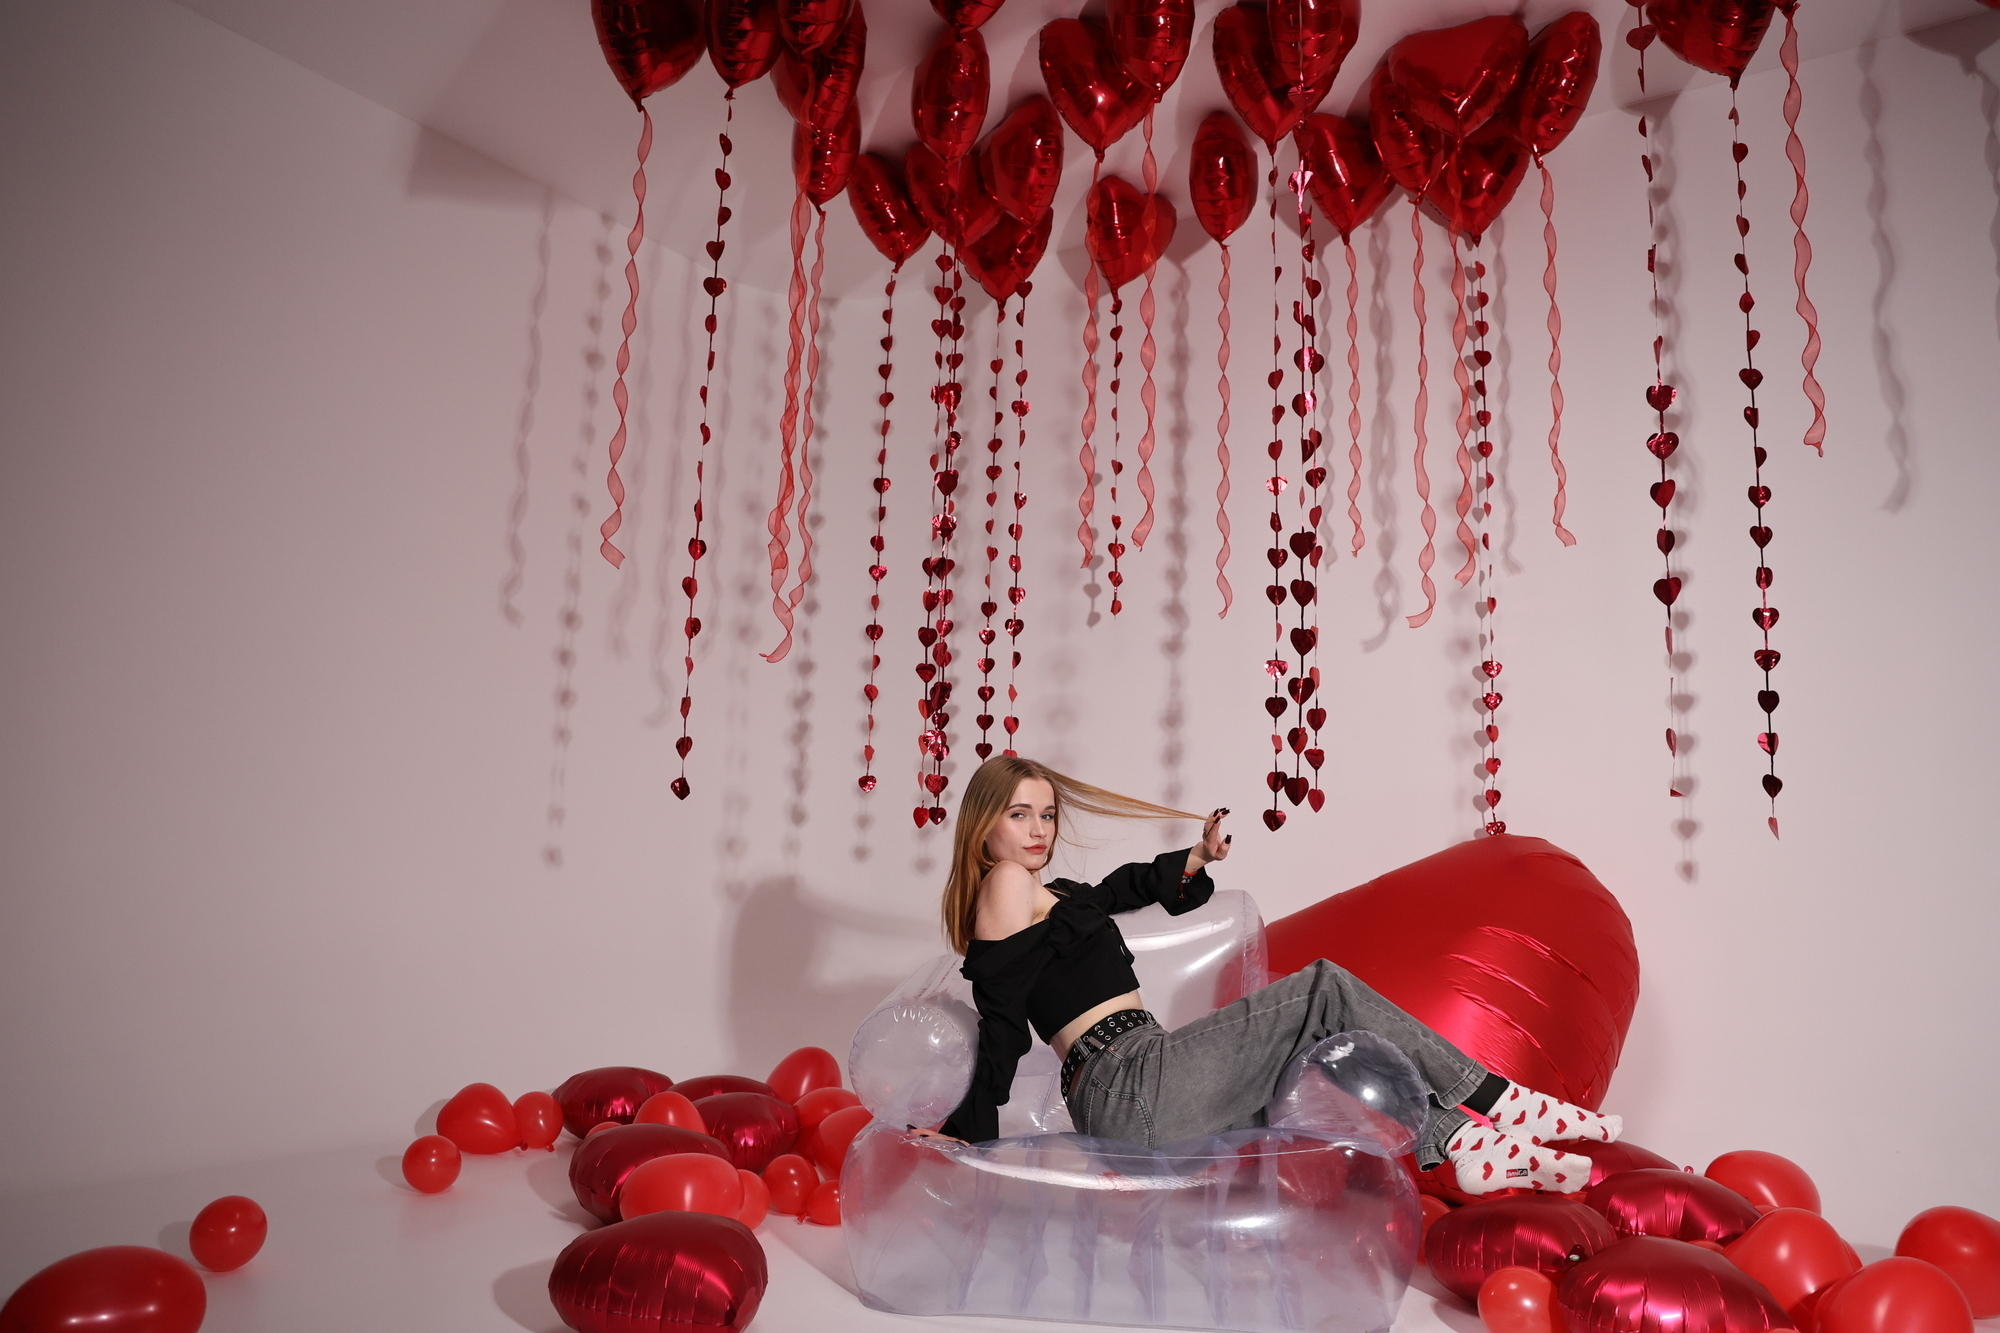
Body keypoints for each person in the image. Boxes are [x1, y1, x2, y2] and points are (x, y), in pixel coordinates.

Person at [911, 755, 1621, 1195]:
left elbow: (1117, 890)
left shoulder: (1054, 894)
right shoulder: (1005, 882)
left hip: (1144, 1088)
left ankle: (1458, 1143)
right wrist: (971, 1130)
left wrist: (1194, 859)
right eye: (1019, 815)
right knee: (1324, 987)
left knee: (1325, 1048)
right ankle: (1498, 1099)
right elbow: (1000, 1018)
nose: (1037, 829)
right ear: (985, 826)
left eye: (1047, 814)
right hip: (1125, 1082)